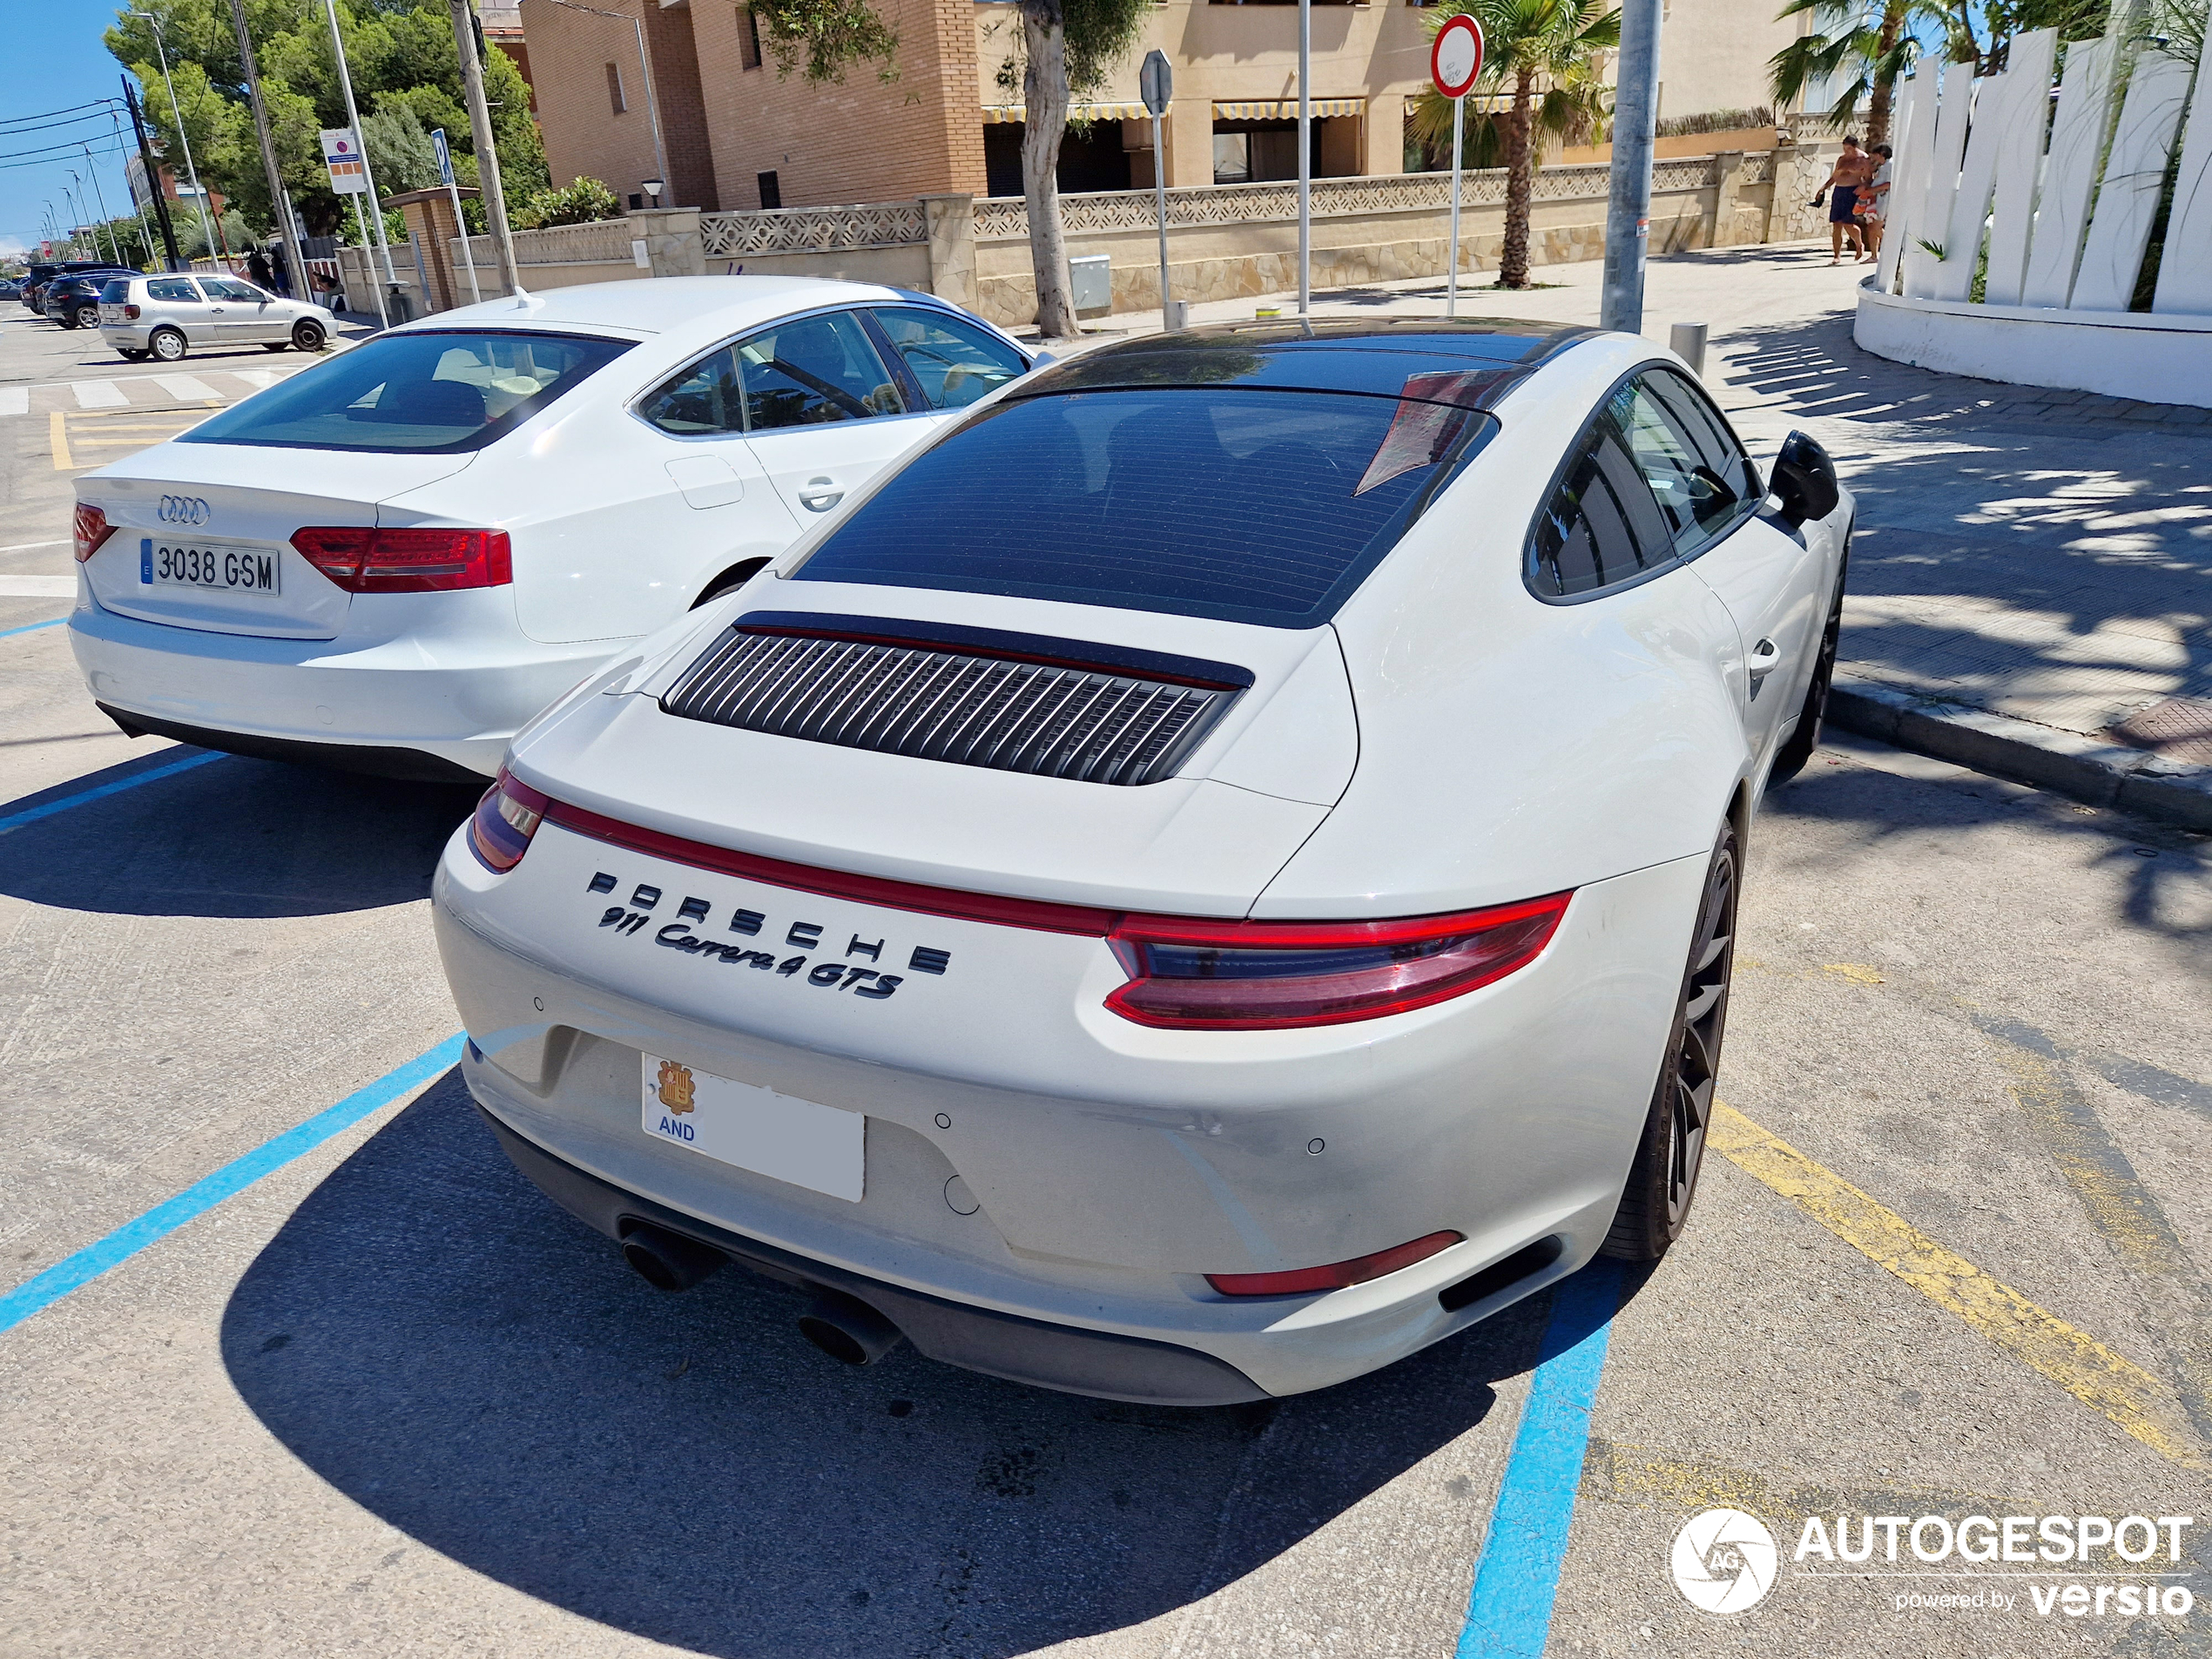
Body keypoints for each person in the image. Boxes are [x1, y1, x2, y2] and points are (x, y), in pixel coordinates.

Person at [1819, 135, 1874, 265]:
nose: (1846, 151)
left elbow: (1869, 178)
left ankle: (1859, 244)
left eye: (1849, 149)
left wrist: (1863, 186)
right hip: (1839, 191)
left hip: (1852, 191)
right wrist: (1823, 188)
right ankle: (1836, 255)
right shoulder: (1842, 159)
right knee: (1836, 224)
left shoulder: (1863, 159)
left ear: (1855, 147)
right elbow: (1834, 177)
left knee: (1848, 223)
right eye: (1844, 148)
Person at [1856, 143, 1893, 263]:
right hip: (1877, 200)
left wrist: (1870, 191)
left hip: (1885, 201)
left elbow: (1888, 184)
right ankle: (1874, 255)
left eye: (1875, 155)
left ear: (1881, 154)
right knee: (1871, 228)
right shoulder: (1882, 167)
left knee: (1875, 227)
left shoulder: (1890, 166)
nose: (1874, 158)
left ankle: (1894, 248)